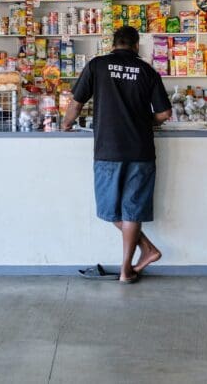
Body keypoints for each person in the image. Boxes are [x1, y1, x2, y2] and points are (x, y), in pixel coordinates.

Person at [62, 25, 172, 283]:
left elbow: (76, 103)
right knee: (132, 211)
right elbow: (164, 114)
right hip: (140, 150)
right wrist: (145, 121)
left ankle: (148, 250)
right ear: (136, 46)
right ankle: (127, 269)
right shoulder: (147, 70)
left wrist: (66, 124)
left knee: (110, 211)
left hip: (107, 150)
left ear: (113, 44)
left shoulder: (97, 65)